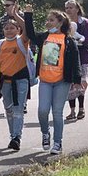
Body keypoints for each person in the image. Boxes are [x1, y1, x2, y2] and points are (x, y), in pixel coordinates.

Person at [25, 8, 81, 156]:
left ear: (60, 22)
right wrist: (28, 15)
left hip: (61, 81)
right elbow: (30, 33)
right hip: (45, 80)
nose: (48, 23)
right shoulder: (44, 37)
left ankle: (57, 142)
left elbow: (75, 62)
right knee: (42, 110)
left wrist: (77, 80)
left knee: (57, 112)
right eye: (47, 20)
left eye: (51, 20)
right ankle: (45, 133)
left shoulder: (68, 41)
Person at [0, 14, 34, 151]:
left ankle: (17, 137)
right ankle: (13, 136)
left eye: (12, 28)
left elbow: (27, 28)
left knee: (18, 110)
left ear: (18, 30)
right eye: (6, 28)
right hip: (5, 82)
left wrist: (15, 14)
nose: (9, 30)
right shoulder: (0, 44)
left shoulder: (22, 41)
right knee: (9, 110)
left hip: (21, 81)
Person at [65, 0, 88, 121]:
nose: (69, 10)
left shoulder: (84, 23)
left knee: (81, 81)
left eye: (71, 7)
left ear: (77, 9)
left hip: (82, 57)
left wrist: (82, 42)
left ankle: (81, 108)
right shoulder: (64, 23)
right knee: (70, 84)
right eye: (67, 8)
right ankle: (72, 110)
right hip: (68, 57)